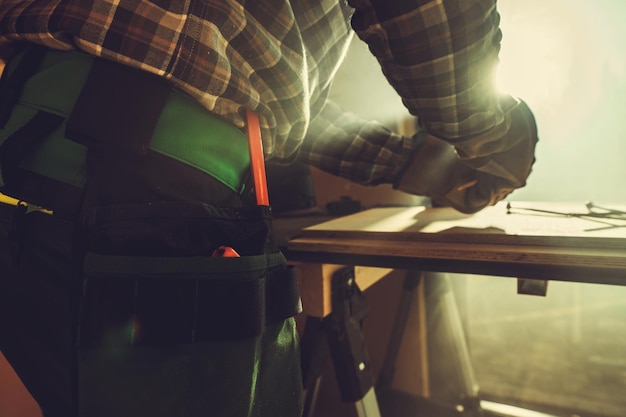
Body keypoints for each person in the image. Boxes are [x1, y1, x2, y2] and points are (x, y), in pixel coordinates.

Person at [0, 1, 538, 416]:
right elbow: (433, 19)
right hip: (145, 196)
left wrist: (418, 166)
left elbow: (251, 91)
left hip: (22, 141)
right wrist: (495, 134)